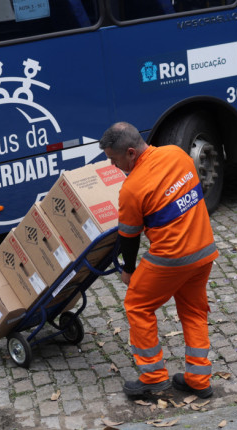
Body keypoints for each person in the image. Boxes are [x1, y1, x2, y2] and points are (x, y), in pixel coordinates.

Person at [99, 121, 219, 399]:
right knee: (194, 311)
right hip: (204, 249)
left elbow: (129, 238)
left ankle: (153, 377)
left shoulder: (132, 189)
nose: (114, 167)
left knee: (137, 305)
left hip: (171, 258)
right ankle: (199, 380)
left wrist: (129, 270)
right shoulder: (177, 154)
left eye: (114, 160)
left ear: (130, 153)